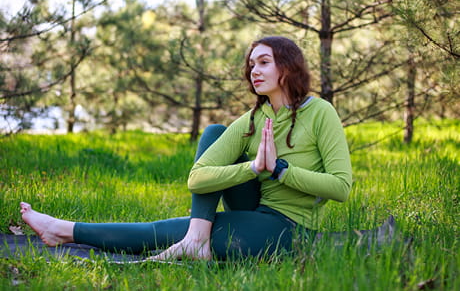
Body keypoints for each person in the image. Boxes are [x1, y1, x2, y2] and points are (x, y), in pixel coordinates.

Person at [20, 36, 352, 261]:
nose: (254, 70)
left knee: (168, 231)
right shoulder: (253, 119)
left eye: (264, 62)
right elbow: (197, 179)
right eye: (251, 64)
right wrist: (252, 168)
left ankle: (62, 230)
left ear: (289, 67)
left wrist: (280, 170)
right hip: (254, 208)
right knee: (213, 133)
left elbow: (341, 187)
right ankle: (198, 233)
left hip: (289, 225)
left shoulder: (320, 112)